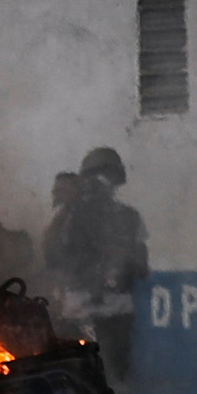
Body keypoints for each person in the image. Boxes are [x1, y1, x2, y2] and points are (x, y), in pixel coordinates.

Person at [58, 147, 149, 376]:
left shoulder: (130, 217)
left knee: (115, 378)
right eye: (95, 177)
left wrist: (122, 261)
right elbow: (62, 261)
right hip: (81, 310)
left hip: (115, 312)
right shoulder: (71, 217)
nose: (100, 183)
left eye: (107, 177)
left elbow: (142, 267)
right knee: (80, 377)